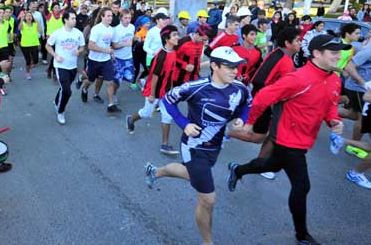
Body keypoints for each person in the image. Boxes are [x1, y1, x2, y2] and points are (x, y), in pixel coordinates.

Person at [227, 34, 348, 245]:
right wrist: (250, 123)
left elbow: (329, 104)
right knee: (302, 187)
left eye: (339, 52)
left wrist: (334, 120)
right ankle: (302, 236)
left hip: (305, 138)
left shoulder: (334, 78)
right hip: (287, 139)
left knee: (271, 166)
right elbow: (263, 96)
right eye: (334, 52)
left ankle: (237, 170)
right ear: (317, 54)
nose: (339, 57)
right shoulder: (298, 78)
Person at [144, 46, 251, 245]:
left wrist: (242, 120)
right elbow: (167, 100)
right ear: (214, 66)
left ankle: (155, 172)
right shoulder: (196, 87)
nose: (235, 71)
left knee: (190, 174)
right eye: (229, 66)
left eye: (237, 66)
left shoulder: (240, 88)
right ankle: (207, 242)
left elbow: (247, 104)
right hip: (194, 147)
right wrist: (184, 124)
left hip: (215, 147)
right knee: (208, 199)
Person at [227, 28, 301, 179]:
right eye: (298, 40)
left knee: (273, 136)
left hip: (268, 102)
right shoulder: (283, 59)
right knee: (260, 137)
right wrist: (271, 103)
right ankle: (224, 133)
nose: (301, 43)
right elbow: (260, 80)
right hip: (266, 103)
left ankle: (260, 165)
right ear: (288, 43)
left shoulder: (279, 53)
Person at [126, 25, 181, 155]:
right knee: (146, 113)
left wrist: (171, 89)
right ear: (167, 39)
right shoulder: (161, 56)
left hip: (166, 91)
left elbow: (171, 73)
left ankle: (165, 144)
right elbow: (154, 77)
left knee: (167, 115)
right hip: (154, 91)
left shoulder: (173, 52)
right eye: (174, 35)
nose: (177, 37)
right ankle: (131, 119)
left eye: (177, 34)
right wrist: (152, 95)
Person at [46, 11, 85, 125]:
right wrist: (55, 56)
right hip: (60, 66)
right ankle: (60, 111)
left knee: (64, 88)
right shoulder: (58, 33)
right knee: (67, 91)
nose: (75, 20)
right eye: (72, 18)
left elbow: (82, 47)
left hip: (72, 66)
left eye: (75, 18)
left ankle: (57, 100)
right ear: (66, 20)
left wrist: (79, 51)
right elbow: (47, 45)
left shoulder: (78, 33)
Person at [80, 7, 122, 113]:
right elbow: (90, 45)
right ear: (102, 17)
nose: (110, 18)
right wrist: (105, 51)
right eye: (108, 16)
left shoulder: (111, 30)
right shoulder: (96, 29)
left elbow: (111, 44)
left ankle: (111, 105)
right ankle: (84, 89)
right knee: (90, 80)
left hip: (106, 61)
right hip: (94, 60)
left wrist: (112, 52)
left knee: (110, 82)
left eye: (111, 16)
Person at [111, 9, 135, 104]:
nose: (128, 20)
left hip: (128, 57)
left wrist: (134, 40)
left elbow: (131, 39)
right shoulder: (116, 30)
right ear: (121, 18)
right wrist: (125, 44)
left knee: (129, 78)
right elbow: (114, 46)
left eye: (129, 18)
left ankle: (113, 89)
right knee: (117, 80)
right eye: (125, 18)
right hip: (118, 58)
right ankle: (113, 95)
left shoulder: (132, 27)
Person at [19, 11, 42, 80]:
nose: (29, 17)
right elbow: (19, 28)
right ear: (25, 17)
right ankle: (28, 72)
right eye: (27, 16)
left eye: (30, 16)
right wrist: (21, 20)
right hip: (25, 45)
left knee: (36, 60)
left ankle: (32, 62)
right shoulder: (23, 24)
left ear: (32, 18)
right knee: (27, 61)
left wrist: (38, 23)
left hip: (34, 44)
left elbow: (41, 32)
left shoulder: (35, 24)